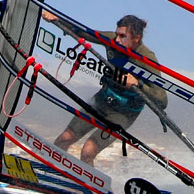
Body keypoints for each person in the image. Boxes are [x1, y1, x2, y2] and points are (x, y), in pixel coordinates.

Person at [42, 11, 167, 165]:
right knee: (64, 139)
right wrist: (57, 19)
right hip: (101, 100)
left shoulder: (147, 59)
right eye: (117, 34)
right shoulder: (113, 40)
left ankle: (89, 188)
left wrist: (139, 84)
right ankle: (50, 174)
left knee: (88, 151)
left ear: (137, 38)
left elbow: (162, 99)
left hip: (123, 113)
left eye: (123, 36)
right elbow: (85, 32)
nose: (117, 39)